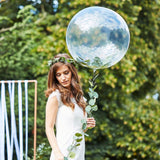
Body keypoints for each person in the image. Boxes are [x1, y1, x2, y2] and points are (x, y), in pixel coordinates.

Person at [45, 53, 96, 160]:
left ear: (72, 72)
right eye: (58, 75)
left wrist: (87, 125)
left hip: (78, 152)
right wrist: (58, 154)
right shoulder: (55, 97)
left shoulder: (80, 98)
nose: (63, 78)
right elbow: (49, 128)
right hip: (62, 152)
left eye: (66, 73)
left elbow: (78, 128)